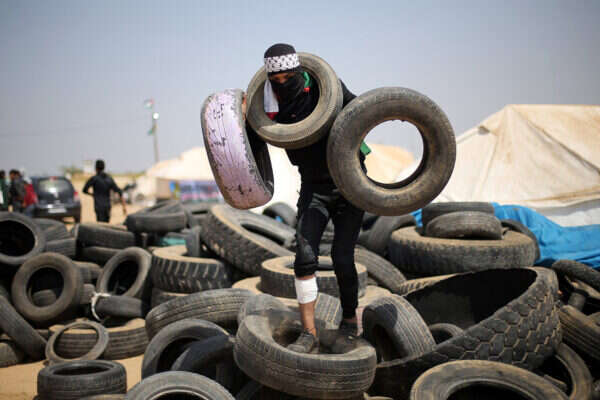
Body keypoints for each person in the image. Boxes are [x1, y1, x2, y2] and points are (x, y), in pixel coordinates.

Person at [252, 43, 368, 353]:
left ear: (298, 71)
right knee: (304, 257)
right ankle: (309, 333)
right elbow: (250, 139)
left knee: (343, 258)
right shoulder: (267, 104)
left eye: (287, 78)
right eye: (275, 80)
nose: (281, 84)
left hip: (350, 182)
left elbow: (363, 111)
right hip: (314, 185)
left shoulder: (323, 85)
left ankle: (349, 320)